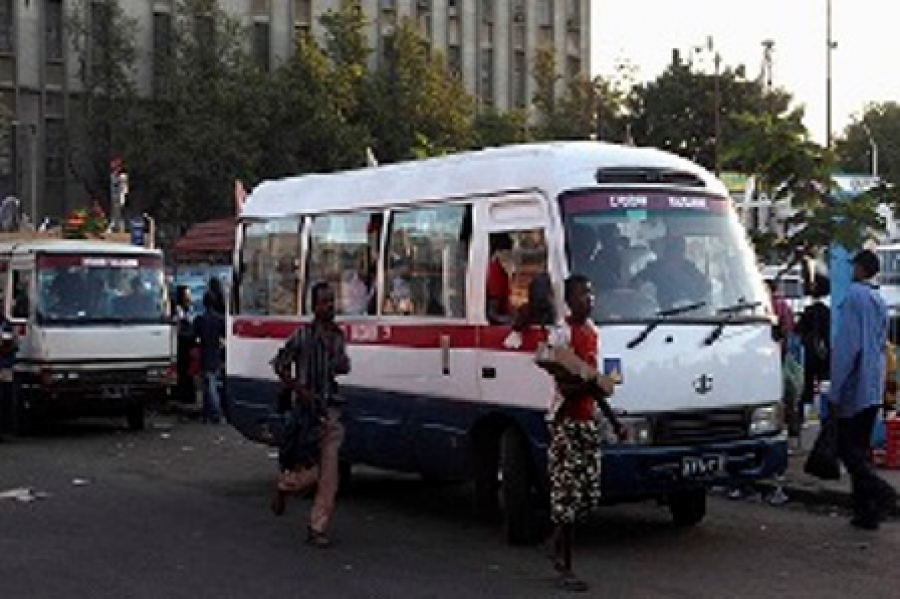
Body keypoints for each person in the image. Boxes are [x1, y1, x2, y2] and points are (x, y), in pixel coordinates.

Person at [546, 274, 624, 592]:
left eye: (590, 294)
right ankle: (565, 564)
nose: (588, 300)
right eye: (581, 295)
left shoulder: (591, 333)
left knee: (588, 495)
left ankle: (555, 543)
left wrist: (612, 419)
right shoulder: (561, 334)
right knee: (568, 495)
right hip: (565, 421)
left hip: (587, 420)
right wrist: (590, 382)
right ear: (568, 300)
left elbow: (594, 386)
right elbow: (565, 382)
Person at [270, 281, 351, 548]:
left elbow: (342, 366)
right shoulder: (302, 336)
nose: (329, 306)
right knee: (311, 472)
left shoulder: (337, 336)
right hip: (307, 413)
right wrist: (298, 389)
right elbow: (280, 364)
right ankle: (286, 485)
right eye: (324, 302)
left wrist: (339, 364)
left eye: (332, 301)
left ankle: (317, 527)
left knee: (330, 475)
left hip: (331, 411)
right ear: (314, 307)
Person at [829, 249, 898, 530]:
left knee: (848, 450)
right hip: (872, 382)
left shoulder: (854, 297)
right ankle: (866, 510)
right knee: (860, 447)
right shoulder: (878, 299)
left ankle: (878, 489)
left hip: (854, 386)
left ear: (859, 268)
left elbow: (847, 349)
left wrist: (835, 389)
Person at [632, 234, 709, 310]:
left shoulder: (691, 270)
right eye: (672, 250)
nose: (675, 254)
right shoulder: (653, 269)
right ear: (665, 253)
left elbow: (705, 291)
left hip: (689, 315)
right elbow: (634, 286)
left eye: (679, 250)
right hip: (657, 315)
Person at [795, 277, 831, 425]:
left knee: (807, 386)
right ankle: (825, 415)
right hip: (826, 354)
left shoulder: (808, 310)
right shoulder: (829, 312)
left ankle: (805, 417)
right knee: (825, 384)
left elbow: (798, 329)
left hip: (809, 353)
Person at [193, 291, 226, 423]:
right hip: (216, 353)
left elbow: (193, 337)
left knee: (209, 384)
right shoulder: (219, 319)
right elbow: (224, 336)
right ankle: (211, 412)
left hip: (204, 353)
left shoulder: (199, 320)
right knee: (212, 383)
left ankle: (213, 412)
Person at [173, 285, 196, 406]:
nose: (189, 297)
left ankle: (188, 395)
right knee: (183, 369)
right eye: (186, 294)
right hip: (181, 343)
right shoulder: (178, 309)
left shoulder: (190, 308)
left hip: (189, 342)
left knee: (188, 370)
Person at [486, 232, 514, 324]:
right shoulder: (495, 271)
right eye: (508, 251)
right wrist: (511, 320)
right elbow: (492, 314)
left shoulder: (503, 270)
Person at [0, 314, 18, 440]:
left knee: (5, 396)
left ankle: (5, 428)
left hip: (4, 365)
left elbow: (10, 344)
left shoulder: (5, 324)